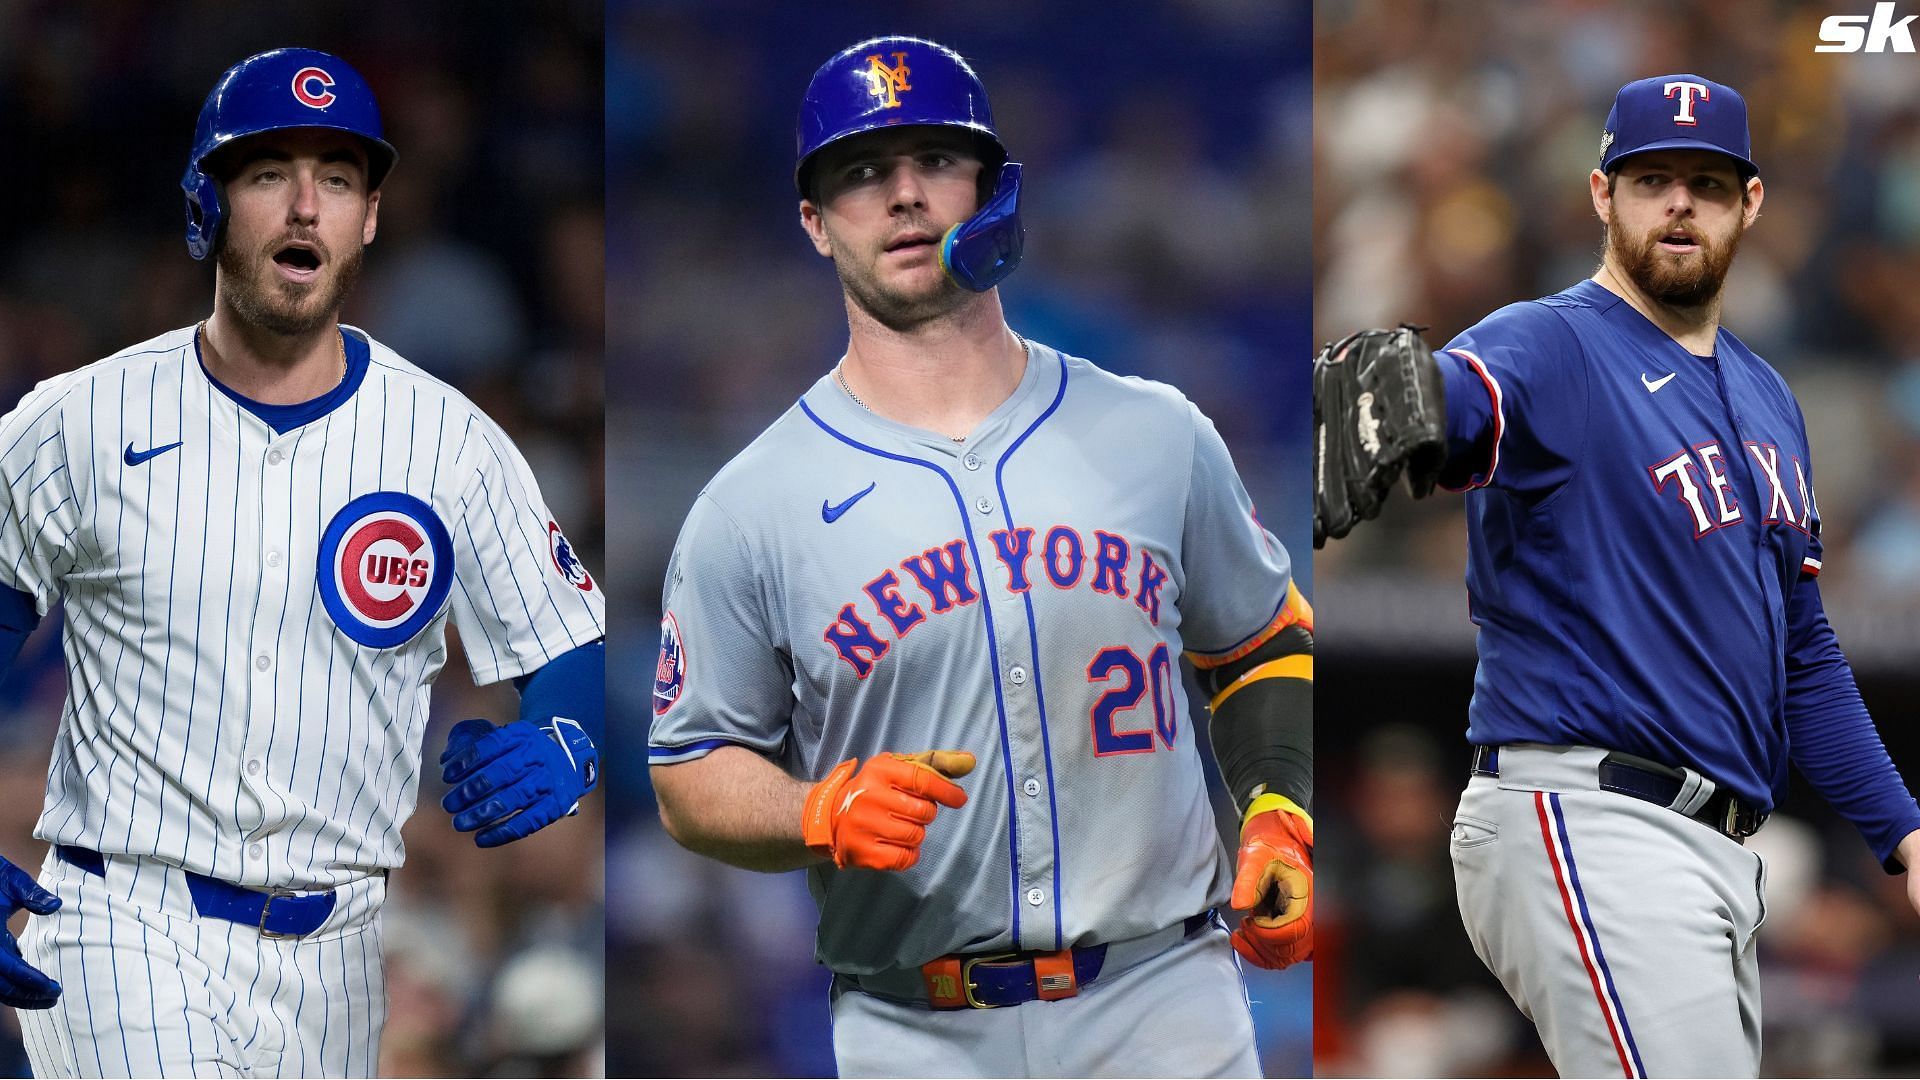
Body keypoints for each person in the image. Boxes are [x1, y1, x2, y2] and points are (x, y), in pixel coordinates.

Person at [647, 35, 1314, 1078]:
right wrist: (812, 809)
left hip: (1163, 999)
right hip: (914, 1025)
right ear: (816, 223)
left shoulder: (1156, 431)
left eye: (935, 162)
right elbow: (691, 771)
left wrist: (1278, 807)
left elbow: (1264, 639)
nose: (905, 195)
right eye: (863, 173)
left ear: (994, 191)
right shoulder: (750, 503)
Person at [0, 48, 606, 1077]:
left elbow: (567, 643)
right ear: (209, 203)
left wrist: (567, 737)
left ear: (369, 217)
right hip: (125, 921)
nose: (304, 205)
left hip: (348, 950)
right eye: (268, 172)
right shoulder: (80, 418)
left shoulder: (447, 440)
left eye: (337, 178)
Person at [1313, 73, 1920, 1077]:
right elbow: (1463, 398)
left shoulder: (1770, 398)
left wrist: (1900, 831)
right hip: (1588, 816)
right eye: (1652, 180)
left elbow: (1802, 652)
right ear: (1604, 195)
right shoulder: (1551, 343)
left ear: (1750, 203)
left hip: (1716, 849)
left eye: (1707, 183)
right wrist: (1423, 391)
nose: (1679, 203)